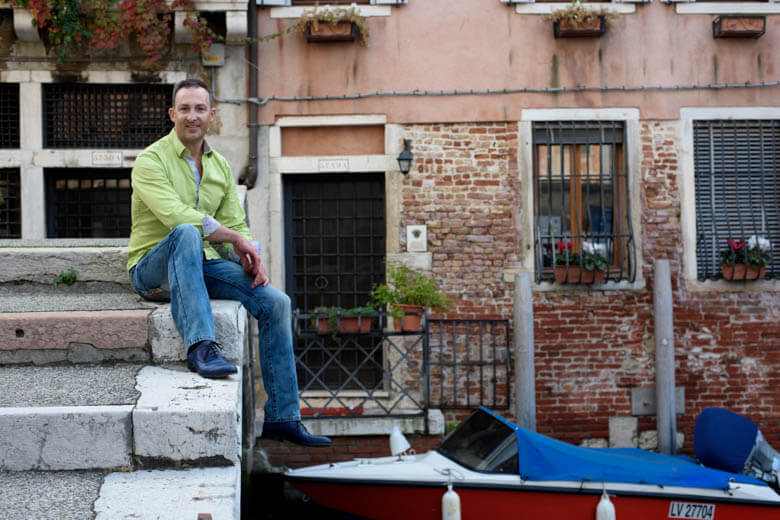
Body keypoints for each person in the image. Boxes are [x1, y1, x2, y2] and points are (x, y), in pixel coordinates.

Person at [127, 78, 331, 447]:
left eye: (200, 109)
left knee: (276, 302)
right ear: (172, 114)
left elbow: (236, 224)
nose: (193, 116)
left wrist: (250, 253)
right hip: (152, 271)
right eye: (185, 109)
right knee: (187, 233)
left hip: (200, 267)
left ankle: (283, 416)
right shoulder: (150, 161)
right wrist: (233, 238)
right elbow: (178, 217)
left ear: (212, 116)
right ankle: (202, 347)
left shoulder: (219, 166)